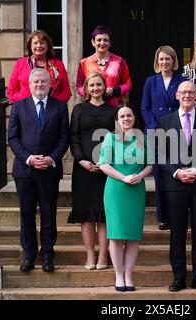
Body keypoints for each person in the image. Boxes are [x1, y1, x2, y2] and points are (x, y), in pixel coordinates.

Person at [158, 81, 196, 292]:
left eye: (191, 92)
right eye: (183, 92)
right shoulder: (165, 122)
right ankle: (179, 277)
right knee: (177, 233)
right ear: (177, 95)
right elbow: (160, 154)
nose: (187, 95)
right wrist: (177, 172)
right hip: (175, 185)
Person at [7, 68, 69, 273]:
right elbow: (13, 138)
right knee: (26, 214)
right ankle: (29, 255)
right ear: (29, 84)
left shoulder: (60, 107)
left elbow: (64, 138)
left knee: (49, 214)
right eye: (36, 82)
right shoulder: (18, 106)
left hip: (49, 170)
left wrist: (51, 158)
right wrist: (30, 159)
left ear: (50, 84)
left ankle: (47, 255)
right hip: (25, 171)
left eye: (43, 82)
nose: (40, 85)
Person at [99, 105, 153, 292]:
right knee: (116, 235)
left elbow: (151, 165)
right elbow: (104, 165)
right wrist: (123, 177)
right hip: (116, 190)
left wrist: (140, 175)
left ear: (134, 117)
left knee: (133, 237)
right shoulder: (110, 138)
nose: (126, 118)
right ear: (117, 119)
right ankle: (118, 275)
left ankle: (129, 274)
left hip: (136, 190)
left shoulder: (143, 139)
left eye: (129, 115)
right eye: (122, 116)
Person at [68, 72, 115, 270]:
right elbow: (74, 137)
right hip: (84, 170)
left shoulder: (114, 110)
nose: (95, 88)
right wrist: (81, 160)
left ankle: (104, 256)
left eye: (99, 85)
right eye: (92, 85)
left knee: (104, 214)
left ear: (105, 87)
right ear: (86, 89)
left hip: (107, 170)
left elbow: (118, 138)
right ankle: (90, 255)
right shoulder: (79, 109)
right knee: (86, 215)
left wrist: (107, 162)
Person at [141, 46, 186, 231]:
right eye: (161, 59)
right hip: (156, 132)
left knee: (176, 173)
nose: (165, 62)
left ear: (173, 60)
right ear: (157, 61)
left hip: (177, 131)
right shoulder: (151, 81)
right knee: (160, 176)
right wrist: (154, 126)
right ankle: (163, 217)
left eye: (168, 59)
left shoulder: (182, 80)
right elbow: (145, 107)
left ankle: (178, 214)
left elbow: (185, 103)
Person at [7, 30, 72, 104]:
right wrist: (29, 103)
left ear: (47, 46)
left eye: (42, 43)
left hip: (52, 111)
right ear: (30, 46)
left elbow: (66, 92)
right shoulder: (20, 64)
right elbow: (11, 92)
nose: (38, 46)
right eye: (35, 43)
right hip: (26, 110)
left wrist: (53, 104)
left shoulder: (58, 65)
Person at [76, 25, 132, 107]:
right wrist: (91, 92)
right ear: (93, 42)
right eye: (99, 40)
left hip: (114, 106)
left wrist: (114, 91)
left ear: (109, 43)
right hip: (93, 106)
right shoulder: (84, 63)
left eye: (105, 40)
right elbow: (79, 86)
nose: (102, 43)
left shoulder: (120, 61)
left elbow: (128, 84)